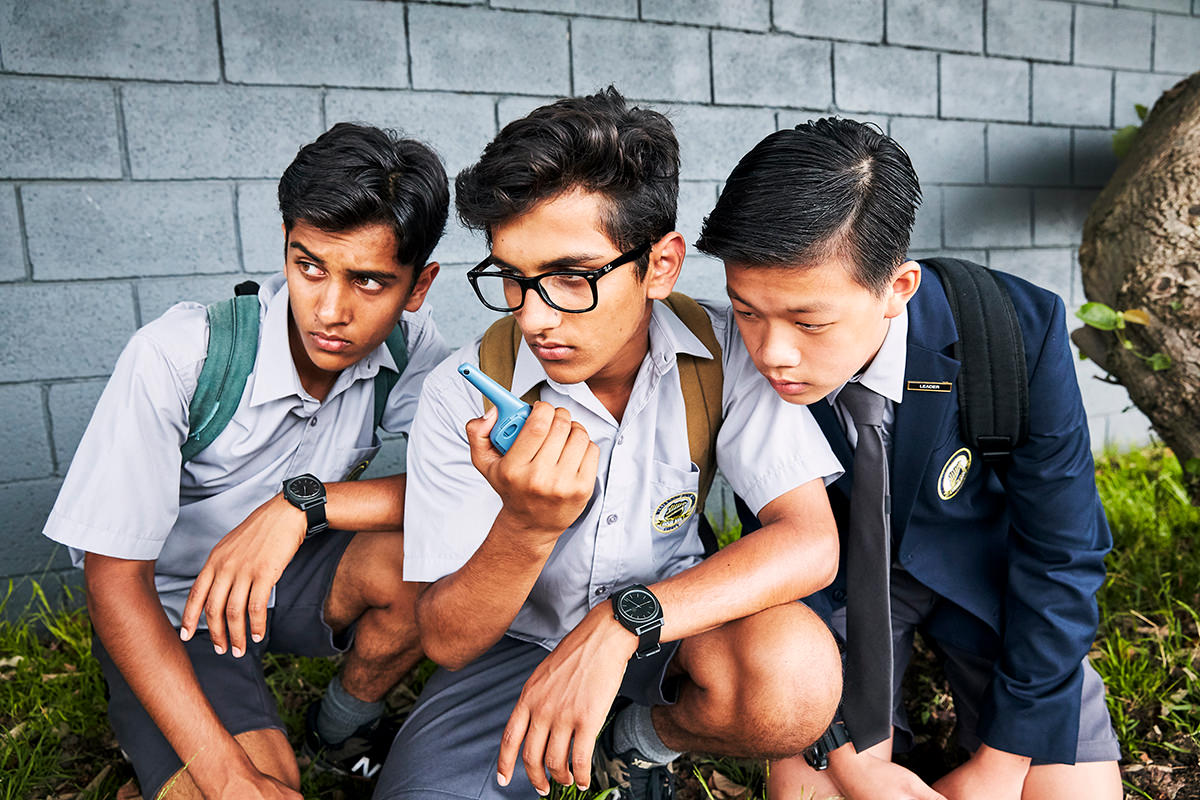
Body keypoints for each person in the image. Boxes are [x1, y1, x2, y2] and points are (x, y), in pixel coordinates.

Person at [372, 88, 845, 800]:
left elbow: (810, 542)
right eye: (511, 278)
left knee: (796, 681)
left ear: (660, 265)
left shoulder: (721, 350)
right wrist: (526, 527)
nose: (533, 317)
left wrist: (624, 623)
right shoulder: (464, 389)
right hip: (518, 649)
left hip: (670, 629)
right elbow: (446, 639)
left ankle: (638, 744)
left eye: (571, 277)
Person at [694, 118, 1122, 800]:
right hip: (828, 593)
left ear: (899, 288)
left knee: (1071, 793)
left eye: (809, 322)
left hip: (985, 574)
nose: (772, 352)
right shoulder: (738, 362)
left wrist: (1001, 763)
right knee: (814, 791)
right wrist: (845, 750)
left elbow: (1062, 552)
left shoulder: (1016, 331)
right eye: (748, 311)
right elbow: (780, 554)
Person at [42, 122, 451, 799]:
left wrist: (304, 502)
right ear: (286, 247)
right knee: (257, 787)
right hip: (174, 610)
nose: (329, 309)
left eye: (369, 282)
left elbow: (476, 483)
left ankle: (342, 726)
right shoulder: (179, 356)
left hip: (288, 576)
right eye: (309, 265)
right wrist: (225, 771)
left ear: (418, 286)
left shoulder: (408, 351)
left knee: (433, 560)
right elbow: (115, 584)